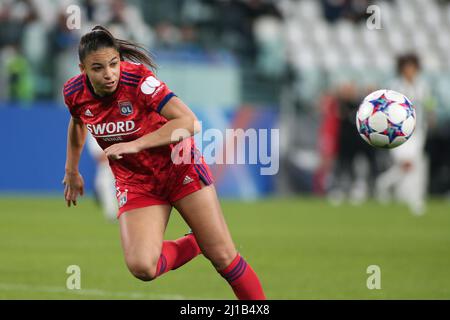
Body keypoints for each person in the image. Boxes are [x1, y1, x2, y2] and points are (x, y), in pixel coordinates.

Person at [62, 26, 265, 300]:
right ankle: (196, 241)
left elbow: (189, 123)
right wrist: (71, 170)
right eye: (98, 68)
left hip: (179, 168)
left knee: (224, 258)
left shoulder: (138, 82)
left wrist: (136, 143)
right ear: (82, 68)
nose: (109, 73)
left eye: (113, 64)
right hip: (137, 182)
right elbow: (77, 124)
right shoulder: (74, 92)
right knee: (142, 266)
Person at [375, 53, 435, 215]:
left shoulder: (423, 86)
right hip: (398, 132)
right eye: (407, 67)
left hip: (418, 132)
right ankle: (384, 184)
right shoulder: (395, 86)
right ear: (402, 69)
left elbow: (429, 104)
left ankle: (412, 198)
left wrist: (431, 115)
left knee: (413, 164)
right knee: (406, 164)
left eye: (412, 67)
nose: (410, 71)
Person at [86, 133, 118, 222]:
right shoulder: (92, 129)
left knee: (105, 185)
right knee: (101, 185)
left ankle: (113, 214)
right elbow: (99, 155)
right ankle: (113, 214)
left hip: (118, 161)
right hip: (107, 163)